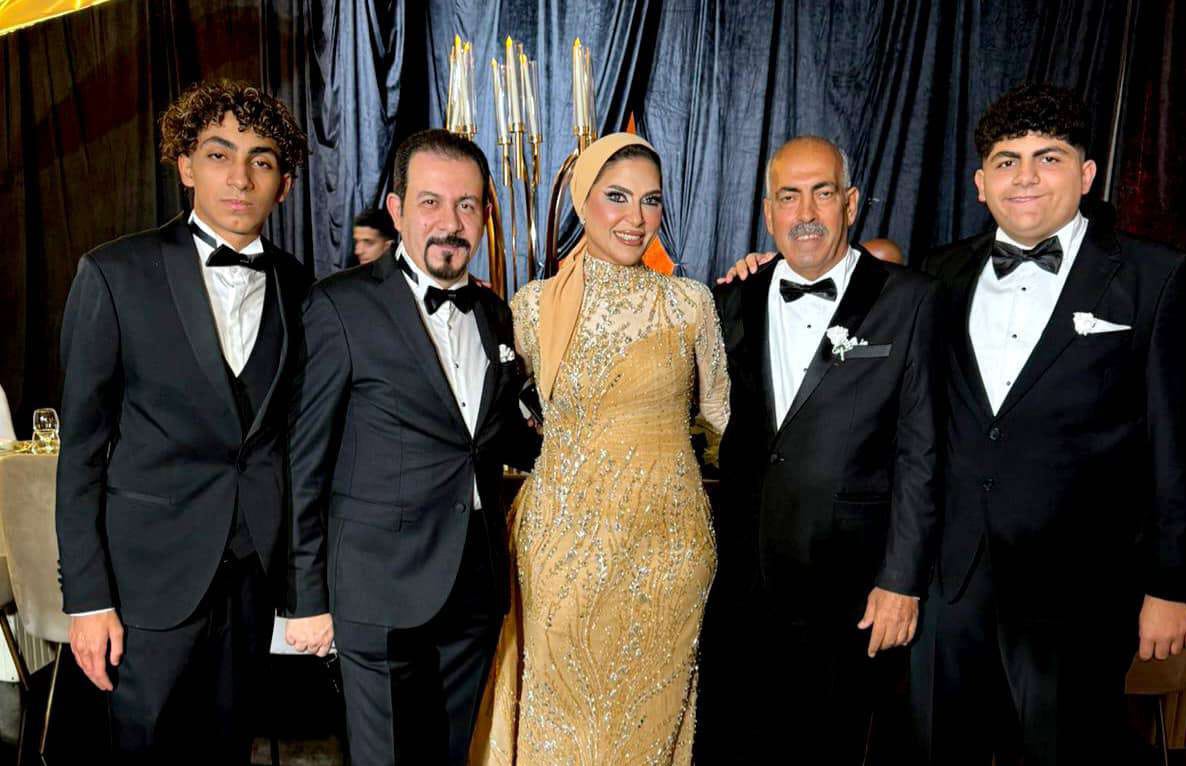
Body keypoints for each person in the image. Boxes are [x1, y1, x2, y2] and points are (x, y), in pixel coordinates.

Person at [911, 82, 1186, 764]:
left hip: (1081, 589)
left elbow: (1178, 445)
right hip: (950, 583)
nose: (1026, 177)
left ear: (1086, 174)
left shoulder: (1155, 277)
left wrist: (1171, 586)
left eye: (1049, 157)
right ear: (981, 183)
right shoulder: (938, 274)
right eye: (1007, 161)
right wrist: (764, 273)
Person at [56, 79, 311, 762]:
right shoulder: (115, 274)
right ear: (185, 166)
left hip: (252, 578)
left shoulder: (299, 286)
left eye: (261, 161)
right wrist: (87, 600)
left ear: (284, 185)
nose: (240, 178)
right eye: (219, 155)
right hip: (145, 585)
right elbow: (80, 454)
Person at [472, 133, 730, 765]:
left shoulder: (691, 303)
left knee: (651, 721)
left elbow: (723, 422)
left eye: (651, 200)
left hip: (668, 547)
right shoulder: (532, 307)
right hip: (565, 547)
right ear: (582, 201)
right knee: (560, 720)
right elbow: (492, 417)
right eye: (617, 197)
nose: (635, 217)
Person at [284, 128, 539, 765]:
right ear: (397, 210)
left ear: (484, 214)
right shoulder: (340, 306)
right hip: (377, 588)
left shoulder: (494, 313)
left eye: (466, 205)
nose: (450, 223)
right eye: (431, 202)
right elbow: (305, 463)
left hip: (474, 585)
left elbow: (497, 437)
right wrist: (306, 599)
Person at [698, 136, 940, 764]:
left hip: (851, 592)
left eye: (822, 193)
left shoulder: (910, 299)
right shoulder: (730, 300)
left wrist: (901, 581)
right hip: (744, 585)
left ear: (850, 203)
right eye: (789, 196)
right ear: (768, 210)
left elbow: (922, 453)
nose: (805, 212)